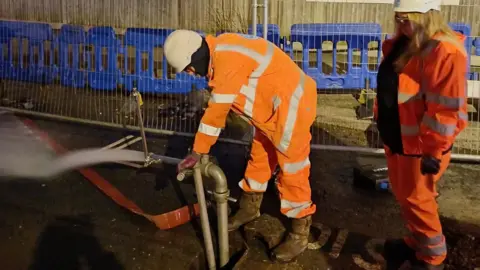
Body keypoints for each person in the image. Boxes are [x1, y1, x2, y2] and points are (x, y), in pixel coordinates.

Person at [163, 30, 318, 262]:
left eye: (188, 68)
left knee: (292, 169)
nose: (191, 74)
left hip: (291, 106)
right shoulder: (220, 53)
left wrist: (198, 151)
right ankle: (250, 207)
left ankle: (299, 232)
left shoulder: (226, 59)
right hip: (271, 108)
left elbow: (217, 111)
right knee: (260, 156)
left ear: (195, 57)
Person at [374, 0, 468, 269]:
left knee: (419, 200)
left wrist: (433, 151)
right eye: (398, 19)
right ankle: (416, 241)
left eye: (406, 19)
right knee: (407, 198)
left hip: (421, 148)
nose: (401, 25)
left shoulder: (445, 52)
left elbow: (447, 110)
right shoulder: (405, 43)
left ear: (426, 16)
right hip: (399, 140)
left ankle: (432, 257)